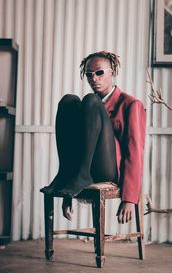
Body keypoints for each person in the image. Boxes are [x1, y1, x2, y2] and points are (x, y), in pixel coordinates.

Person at [40, 51, 146, 224]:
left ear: (112, 72)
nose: (94, 78)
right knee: (69, 101)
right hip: (82, 168)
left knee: (90, 101)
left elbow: (134, 152)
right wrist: (69, 191)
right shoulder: (87, 107)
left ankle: (81, 175)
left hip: (108, 171)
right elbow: (75, 144)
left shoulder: (130, 104)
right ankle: (67, 174)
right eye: (89, 74)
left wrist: (129, 198)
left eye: (99, 73)